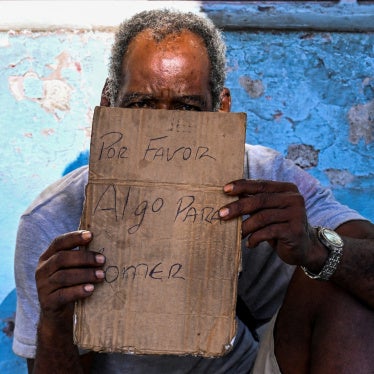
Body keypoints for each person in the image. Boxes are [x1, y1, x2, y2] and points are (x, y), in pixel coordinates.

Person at [13, 9, 373, 374]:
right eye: (141, 105)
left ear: (221, 110)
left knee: (342, 265)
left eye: (187, 108)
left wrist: (315, 247)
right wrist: (55, 321)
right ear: (108, 103)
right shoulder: (53, 221)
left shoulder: (262, 179)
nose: (163, 130)